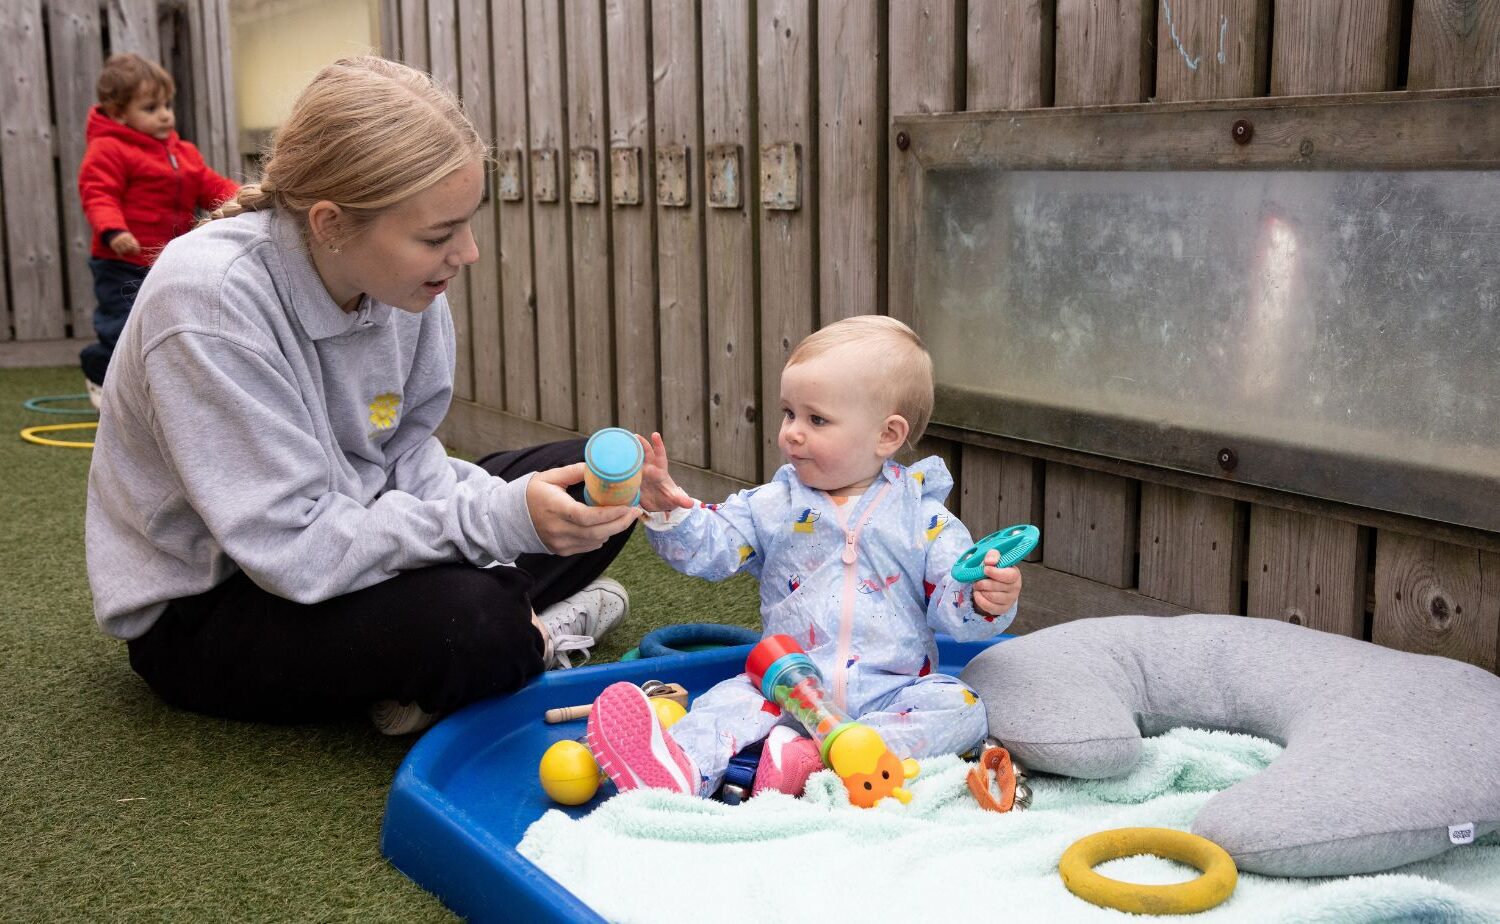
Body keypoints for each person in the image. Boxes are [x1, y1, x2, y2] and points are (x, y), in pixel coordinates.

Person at [85, 56, 639, 736]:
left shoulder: (402, 284)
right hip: (212, 604)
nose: (466, 253)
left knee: (595, 478)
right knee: (475, 623)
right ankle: (526, 637)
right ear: (330, 223)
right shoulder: (208, 303)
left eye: (466, 224)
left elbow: (408, 454)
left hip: (354, 525)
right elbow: (292, 547)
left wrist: (508, 514)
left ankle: (484, 645)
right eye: (438, 235)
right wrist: (498, 526)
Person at [586, 316, 1024, 799]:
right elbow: (711, 545)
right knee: (728, 704)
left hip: (890, 694)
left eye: (816, 419)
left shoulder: (925, 518)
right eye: (788, 413)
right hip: (787, 688)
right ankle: (677, 770)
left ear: (887, 435)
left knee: (961, 705)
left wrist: (985, 599)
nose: (792, 433)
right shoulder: (774, 505)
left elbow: (953, 603)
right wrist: (669, 511)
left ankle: (833, 757)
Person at [77, 53, 240, 409]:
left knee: (166, 322)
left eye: (167, 105)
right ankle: (99, 368)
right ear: (119, 113)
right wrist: (112, 230)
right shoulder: (109, 149)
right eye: (151, 108)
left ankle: (159, 386)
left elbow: (209, 185)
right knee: (122, 325)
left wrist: (244, 197)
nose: (165, 114)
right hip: (121, 258)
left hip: (167, 258)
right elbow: (98, 193)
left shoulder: (182, 153)